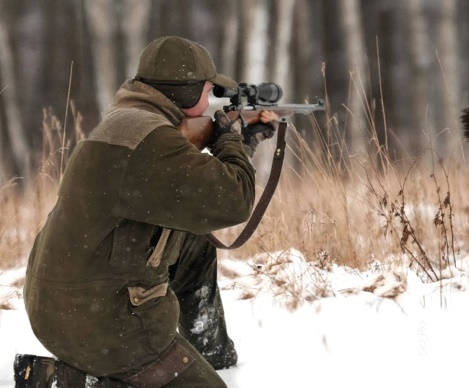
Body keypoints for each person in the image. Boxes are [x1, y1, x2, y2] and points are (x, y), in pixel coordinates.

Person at [21, 35, 278, 387]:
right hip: (97, 321)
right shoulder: (151, 141)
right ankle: (59, 380)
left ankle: (213, 354)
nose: (209, 100)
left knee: (196, 247)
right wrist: (230, 139)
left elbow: (193, 192)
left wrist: (240, 143)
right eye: (206, 91)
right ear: (187, 94)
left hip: (63, 298)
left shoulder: (127, 123)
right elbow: (234, 200)